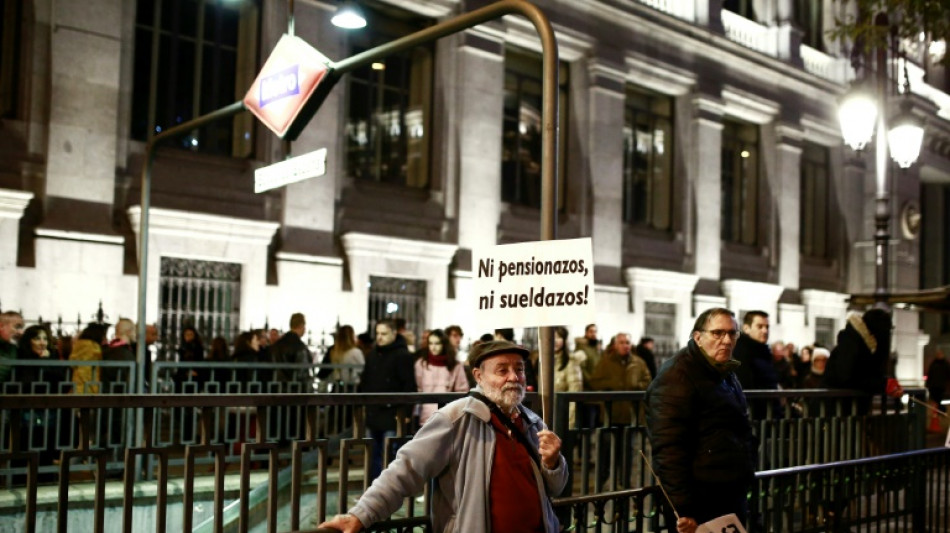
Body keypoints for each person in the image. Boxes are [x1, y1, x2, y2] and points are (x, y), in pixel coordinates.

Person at [318, 339, 567, 533]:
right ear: (479, 376)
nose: (514, 377)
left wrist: (554, 462)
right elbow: (406, 470)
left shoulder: (532, 422)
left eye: (519, 370)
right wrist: (361, 514)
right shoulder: (455, 419)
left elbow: (555, 488)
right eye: (502, 370)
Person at [645, 307, 757, 531]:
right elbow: (669, 450)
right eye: (717, 333)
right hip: (701, 501)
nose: (726, 340)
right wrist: (684, 509)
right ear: (698, 337)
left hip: (727, 492)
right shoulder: (676, 377)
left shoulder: (724, 372)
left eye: (732, 333)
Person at [360, 319, 416, 481]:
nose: (379, 337)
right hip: (374, 411)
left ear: (393, 333)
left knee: (388, 454)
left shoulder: (402, 355)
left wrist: (406, 412)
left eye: (384, 334)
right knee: (373, 454)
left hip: (392, 412)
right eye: (377, 333)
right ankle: (373, 490)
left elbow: (409, 385)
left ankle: (387, 491)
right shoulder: (373, 354)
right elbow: (366, 380)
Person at [823, 309, 904, 414]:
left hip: (849, 409)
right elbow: (848, 377)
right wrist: (882, 384)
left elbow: (866, 375)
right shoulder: (852, 343)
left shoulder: (867, 345)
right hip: (836, 409)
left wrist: (886, 383)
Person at [414, 328, 469, 425]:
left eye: (437, 343)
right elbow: (418, 389)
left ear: (444, 344)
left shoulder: (455, 365)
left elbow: (462, 391)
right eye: (431, 343)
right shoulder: (421, 364)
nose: (433, 347)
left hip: (448, 416)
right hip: (425, 416)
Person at [732, 310, 779, 418]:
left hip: (769, 412)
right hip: (754, 414)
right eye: (760, 326)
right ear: (746, 328)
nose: (765, 330)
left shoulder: (763, 350)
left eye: (767, 327)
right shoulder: (740, 351)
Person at [269, 313, 313, 391]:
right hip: (295, 389)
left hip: (279, 388)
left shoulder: (279, 344)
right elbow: (302, 370)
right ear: (301, 326)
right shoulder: (299, 346)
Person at [552, 326, 584, 428]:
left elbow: (574, 397)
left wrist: (570, 425)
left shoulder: (571, 362)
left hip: (561, 418)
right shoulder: (540, 362)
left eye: (558, 337)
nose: (554, 340)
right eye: (551, 337)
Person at [0, 311, 25, 383]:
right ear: (1, 326)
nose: (21, 332)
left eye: (21, 328)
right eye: (16, 327)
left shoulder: (14, 349)